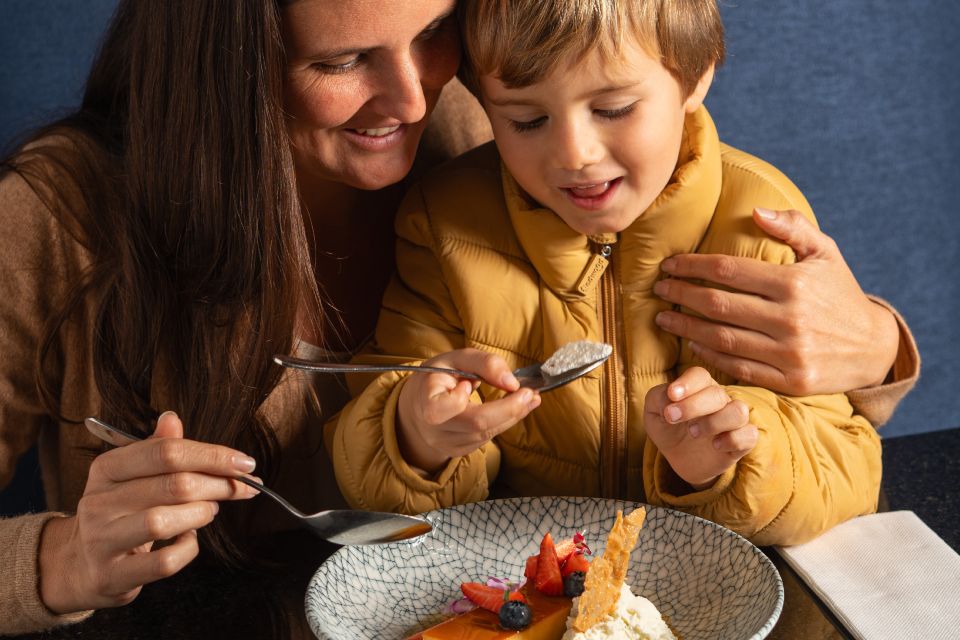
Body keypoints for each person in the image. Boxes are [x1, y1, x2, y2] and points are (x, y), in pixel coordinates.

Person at [0, 0, 916, 635]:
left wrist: (871, 344)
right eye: (340, 60)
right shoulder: (54, 222)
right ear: (222, 70)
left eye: (435, 32)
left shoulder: (489, 130)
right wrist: (62, 561)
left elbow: (802, 432)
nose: (414, 97)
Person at [327, 0, 919, 548]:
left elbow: (846, 468)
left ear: (696, 77)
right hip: (515, 590)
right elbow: (380, 466)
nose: (574, 153)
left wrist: (728, 460)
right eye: (527, 120)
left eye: (613, 108)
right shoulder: (443, 223)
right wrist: (417, 441)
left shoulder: (758, 221)